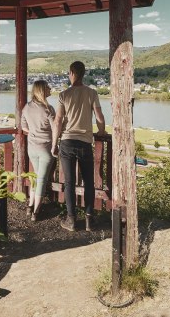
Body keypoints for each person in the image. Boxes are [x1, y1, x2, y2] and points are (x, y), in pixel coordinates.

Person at [53, 61, 105, 231]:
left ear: (72, 73)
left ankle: (71, 220)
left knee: (69, 182)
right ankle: (89, 219)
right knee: (89, 181)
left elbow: (58, 121)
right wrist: (101, 132)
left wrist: (54, 144)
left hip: (67, 141)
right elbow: (99, 117)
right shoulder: (92, 93)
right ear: (83, 74)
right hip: (85, 142)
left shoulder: (63, 95)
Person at [19, 80, 55, 221]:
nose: (50, 88)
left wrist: (34, 131)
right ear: (42, 91)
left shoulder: (27, 107)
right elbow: (55, 128)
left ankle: (30, 205)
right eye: (47, 87)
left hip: (32, 148)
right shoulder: (48, 109)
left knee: (35, 177)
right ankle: (36, 211)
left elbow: (24, 127)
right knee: (41, 179)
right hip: (45, 148)